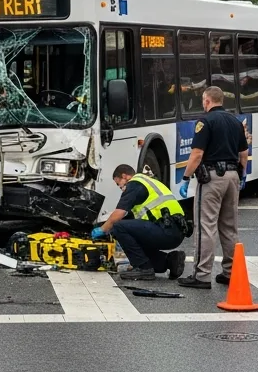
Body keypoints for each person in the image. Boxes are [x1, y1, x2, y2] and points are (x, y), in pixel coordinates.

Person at [177, 86, 249, 289]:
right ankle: (230, 272)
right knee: (229, 226)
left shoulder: (205, 121)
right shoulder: (235, 122)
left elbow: (197, 154)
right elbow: (244, 153)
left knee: (205, 226)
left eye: (203, 100)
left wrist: (186, 177)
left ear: (207, 101)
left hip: (212, 178)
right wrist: (241, 175)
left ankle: (201, 275)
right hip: (233, 176)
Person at [92, 165, 186, 281]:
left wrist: (102, 229)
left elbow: (119, 214)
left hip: (165, 229)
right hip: (175, 230)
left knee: (118, 227)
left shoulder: (134, 184)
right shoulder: (148, 182)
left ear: (124, 176)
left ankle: (143, 268)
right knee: (130, 236)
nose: (120, 187)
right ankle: (170, 261)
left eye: (118, 183)